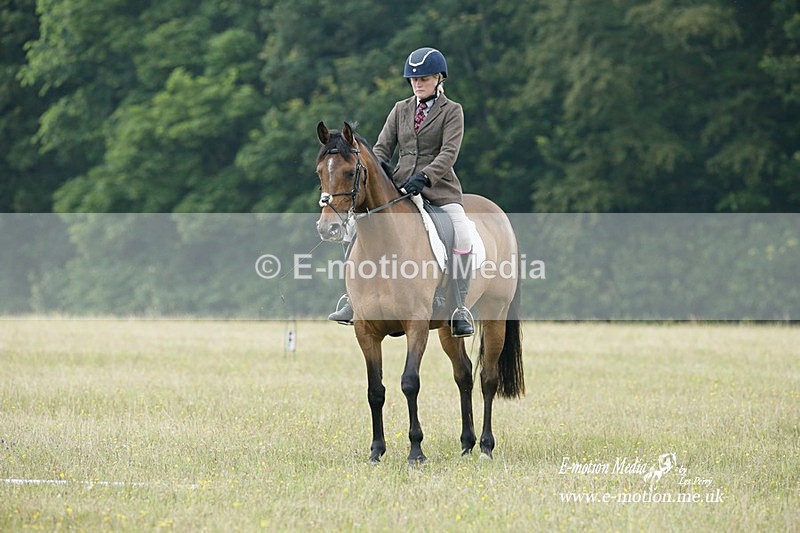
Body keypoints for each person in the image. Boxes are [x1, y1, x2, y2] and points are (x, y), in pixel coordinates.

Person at [328, 46, 474, 338]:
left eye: (424, 79)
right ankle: (352, 300)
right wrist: (378, 171)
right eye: (413, 80)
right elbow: (382, 148)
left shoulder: (452, 111)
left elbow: (448, 153)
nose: (418, 84)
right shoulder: (400, 109)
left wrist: (425, 176)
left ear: (438, 79)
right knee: (353, 230)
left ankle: (458, 306)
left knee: (462, 233)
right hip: (398, 189)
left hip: (439, 190)